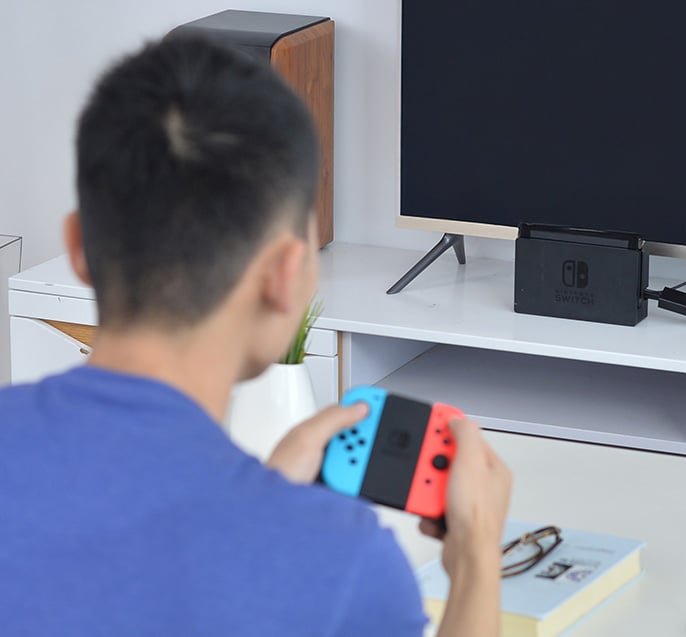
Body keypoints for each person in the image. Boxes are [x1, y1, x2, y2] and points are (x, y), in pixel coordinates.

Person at [0, 36, 511, 636]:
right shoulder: (341, 568)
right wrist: (477, 561)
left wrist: (266, 496)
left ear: (80, 248)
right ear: (284, 276)